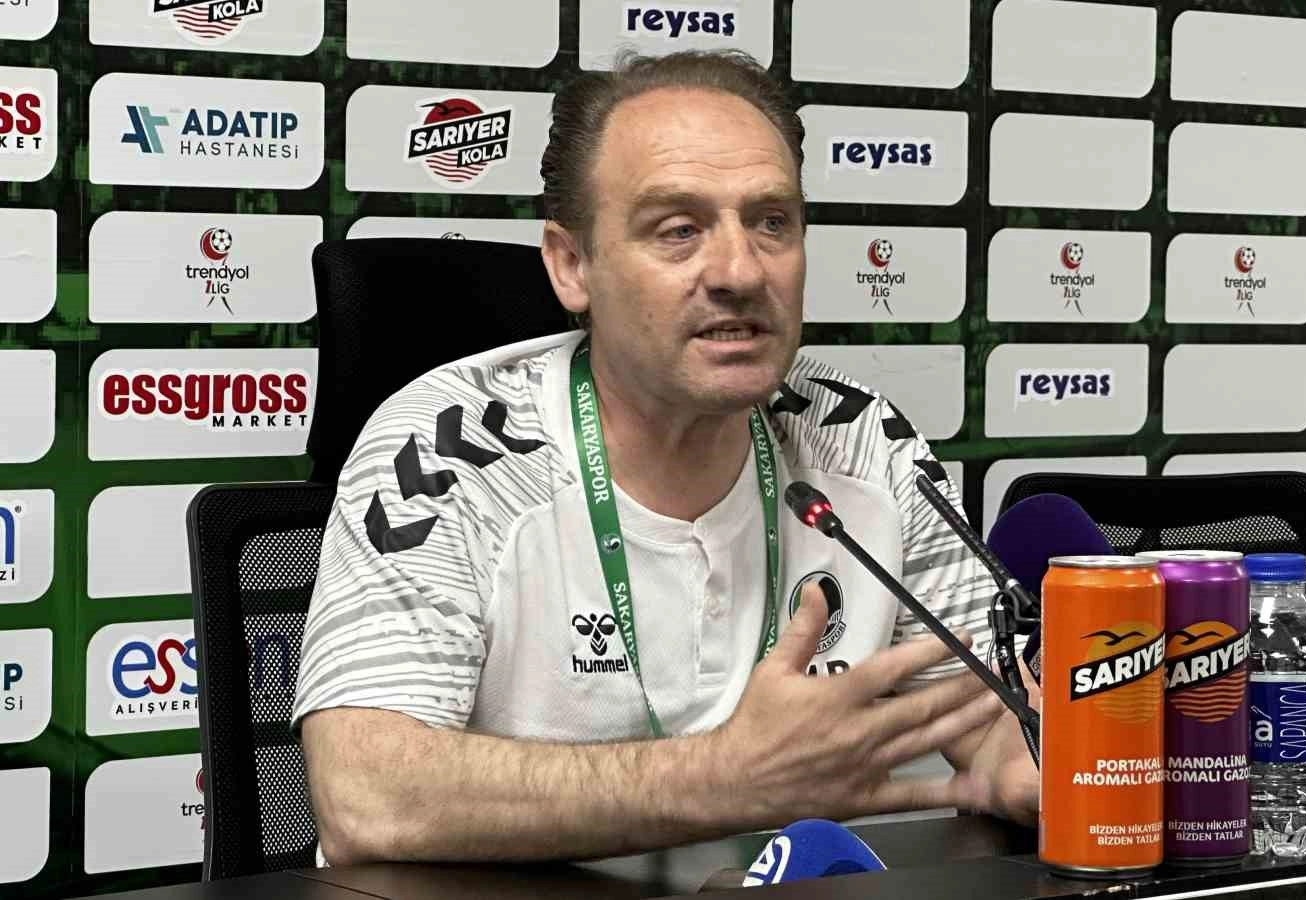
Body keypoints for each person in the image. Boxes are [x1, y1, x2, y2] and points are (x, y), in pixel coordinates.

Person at [292, 49, 1039, 866]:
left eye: (772, 222)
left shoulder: (859, 436)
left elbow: (992, 718)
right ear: (572, 265)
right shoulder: (450, 447)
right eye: (678, 230)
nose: (740, 271)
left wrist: (1042, 764)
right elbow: (367, 795)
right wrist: (724, 779)